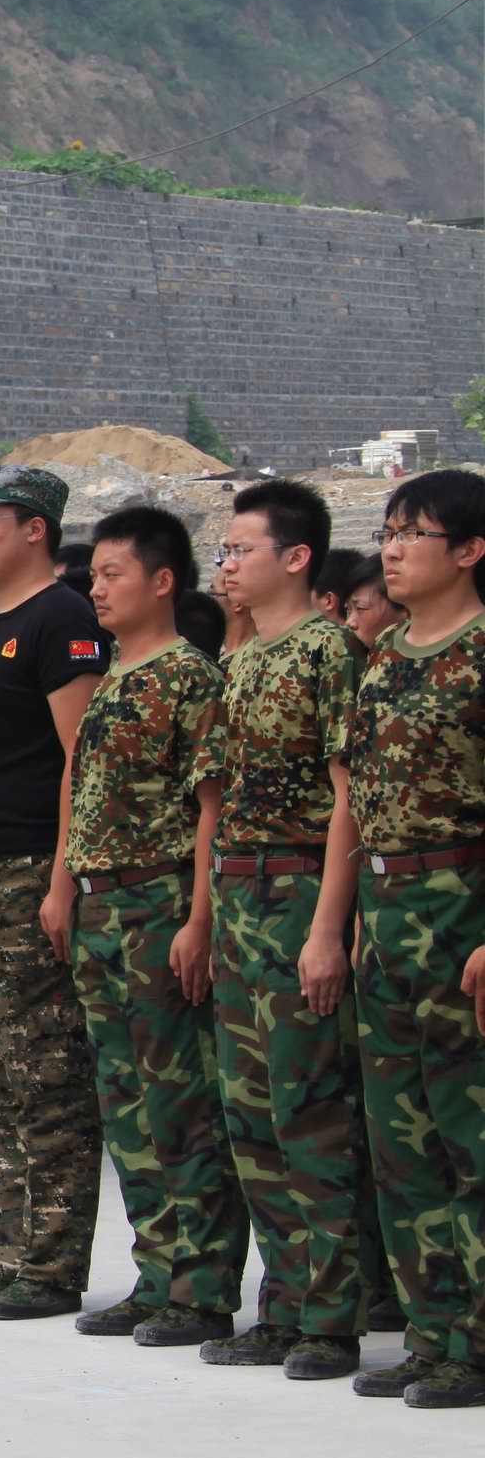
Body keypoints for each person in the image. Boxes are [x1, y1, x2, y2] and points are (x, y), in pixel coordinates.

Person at [202, 478, 382, 1377]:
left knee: (309, 1110)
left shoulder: (328, 652)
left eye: (241, 549)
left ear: (298, 557)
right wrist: (207, 917)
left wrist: (325, 929)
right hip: (239, 899)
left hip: (298, 890)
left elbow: (350, 798)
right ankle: (282, 1304)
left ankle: (332, 1315)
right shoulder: (241, 660)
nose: (227, 564)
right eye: (224, 550)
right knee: (251, 1116)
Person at [60, 506, 243, 1347]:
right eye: (94, 575)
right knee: (126, 1101)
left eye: (113, 574)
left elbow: (212, 807)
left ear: (163, 582)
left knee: (180, 1101)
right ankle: (157, 1269)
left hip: (158, 901)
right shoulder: (114, 676)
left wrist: (199, 918)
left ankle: (202, 1286)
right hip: (102, 906)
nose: (97, 589)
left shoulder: (187, 677)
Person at [0, 467, 108, 1320]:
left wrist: (63, 879)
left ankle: (52, 1261)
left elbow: (80, 758)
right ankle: (8, 1250)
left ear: (35, 529)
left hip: (26, 868)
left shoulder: (60, 618)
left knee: (44, 1072)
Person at [329, 469, 485, 1406]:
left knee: (472, 1135)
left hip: (461, 905)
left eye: (412, 533)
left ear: (469, 550)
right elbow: (355, 801)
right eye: (387, 532)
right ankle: (435, 1336)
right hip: (388, 914)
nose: (390, 549)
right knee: (402, 1142)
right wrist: (344, 923)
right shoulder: (385, 656)